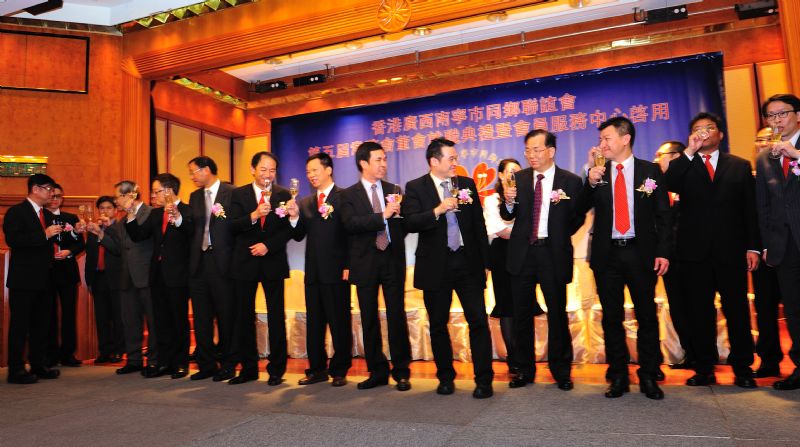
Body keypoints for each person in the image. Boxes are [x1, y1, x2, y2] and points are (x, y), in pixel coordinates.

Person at [577, 117, 671, 400]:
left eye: (606, 138)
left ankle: (648, 374)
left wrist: (663, 251)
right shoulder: (598, 171)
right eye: (600, 139)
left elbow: (663, 215)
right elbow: (578, 209)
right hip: (607, 255)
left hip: (640, 253)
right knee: (611, 317)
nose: (601, 144)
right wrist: (590, 181)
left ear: (625, 138)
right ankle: (618, 375)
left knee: (646, 316)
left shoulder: (649, 171)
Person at [665, 112, 760, 388]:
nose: (704, 132)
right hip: (694, 254)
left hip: (731, 251)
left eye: (709, 127)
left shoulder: (739, 166)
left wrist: (753, 247)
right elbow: (669, 183)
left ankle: (742, 367)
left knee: (737, 311)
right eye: (698, 129)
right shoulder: (684, 164)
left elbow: (750, 210)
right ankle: (704, 367)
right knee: (699, 313)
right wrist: (689, 150)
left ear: (720, 134)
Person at [403, 137, 494, 399]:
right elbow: (410, 222)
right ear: (434, 161)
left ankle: (484, 380)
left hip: (467, 262)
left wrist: (486, 262)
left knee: (478, 321)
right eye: (451, 158)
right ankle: (445, 378)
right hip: (435, 265)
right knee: (438, 324)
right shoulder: (416, 187)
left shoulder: (466, 184)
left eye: (456, 158)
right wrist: (438, 210)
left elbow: (478, 224)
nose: (456, 162)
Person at [501, 130, 585, 391]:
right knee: (522, 315)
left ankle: (561, 371)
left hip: (552, 253)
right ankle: (524, 370)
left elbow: (578, 217)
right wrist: (509, 202)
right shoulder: (519, 178)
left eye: (537, 150)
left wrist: (558, 234)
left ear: (551, 151)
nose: (531, 155)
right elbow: (507, 214)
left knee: (557, 314)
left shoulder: (570, 181)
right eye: (528, 150)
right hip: (523, 254)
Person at [340, 141, 412, 392]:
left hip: (392, 259)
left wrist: (397, 218)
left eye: (385, 159)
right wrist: (383, 216)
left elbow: (403, 225)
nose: (383, 164)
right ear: (363, 163)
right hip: (365, 262)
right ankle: (377, 371)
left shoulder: (394, 189)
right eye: (378, 159)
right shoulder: (348, 195)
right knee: (369, 317)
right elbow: (350, 224)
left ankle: (401, 372)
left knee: (396, 315)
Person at [287, 152, 353, 387]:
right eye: (308, 172)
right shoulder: (305, 202)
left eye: (315, 170)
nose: (311, 175)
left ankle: (340, 369)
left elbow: (350, 234)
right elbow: (298, 236)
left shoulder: (344, 197)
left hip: (337, 271)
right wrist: (294, 218)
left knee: (339, 322)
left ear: (328, 170)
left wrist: (348, 265)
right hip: (313, 272)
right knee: (314, 323)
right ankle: (316, 369)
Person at [228, 151, 293, 385]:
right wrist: (254, 215)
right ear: (253, 169)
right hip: (244, 262)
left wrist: (268, 245)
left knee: (276, 316)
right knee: (243, 317)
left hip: (272, 261)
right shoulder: (238, 194)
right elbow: (232, 226)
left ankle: (276, 370)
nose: (268, 174)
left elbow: (288, 229)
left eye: (272, 170)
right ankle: (248, 369)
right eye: (263, 169)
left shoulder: (283, 194)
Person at [125, 173, 193, 379]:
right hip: (157, 274)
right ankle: (164, 362)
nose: (153, 195)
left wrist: (177, 217)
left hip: (178, 275)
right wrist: (131, 213)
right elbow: (138, 235)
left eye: (156, 191)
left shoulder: (188, 210)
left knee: (178, 320)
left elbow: (191, 234)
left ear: (169, 190)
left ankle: (180, 363)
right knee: (160, 320)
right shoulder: (155, 214)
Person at [89, 181, 159, 377]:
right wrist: (100, 234)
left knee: (153, 322)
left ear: (131, 195)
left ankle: (154, 361)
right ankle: (134, 360)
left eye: (118, 197)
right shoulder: (122, 221)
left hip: (147, 276)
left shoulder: (151, 213)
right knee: (130, 321)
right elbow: (118, 249)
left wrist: (132, 215)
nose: (116, 201)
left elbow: (142, 238)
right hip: (126, 277)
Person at [755, 93, 800, 390]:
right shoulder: (765, 158)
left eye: (782, 113)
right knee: (794, 310)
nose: (776, 120)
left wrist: (797, 155)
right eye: (771, 116)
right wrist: (767, 244)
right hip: (784, 246)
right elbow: (764, 206)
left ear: (798, 115)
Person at [182, 156, 237, 381]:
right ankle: (206, 365)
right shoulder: (194, 196)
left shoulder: (231, 192)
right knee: (202, 317)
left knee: (226, 316)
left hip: (222, 263)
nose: (191, 176)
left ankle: (228, 364)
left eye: (193, 171)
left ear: (206, 170)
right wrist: (178, 219)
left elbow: (237, 228)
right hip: (199, 262)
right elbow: (192, 230)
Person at [4, 173, 63, 384]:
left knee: (41, 325)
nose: (52, 193)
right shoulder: (16, 212)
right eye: (49, 189)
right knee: (20, 325)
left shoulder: (46, 214)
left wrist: (73, 231)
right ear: (35, 189)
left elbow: (54, 241)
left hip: (45, 278)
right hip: (23, 279)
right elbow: (14, 240)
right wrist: (44, 234)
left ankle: (38, 364)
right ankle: (16, 369)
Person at [654, 141, 694, 370]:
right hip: (668, 256)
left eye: (661, 154)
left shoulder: (691, 179)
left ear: (677, 156)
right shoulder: (654, 183)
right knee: (677, 307)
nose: (657, 159)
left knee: (696, 306)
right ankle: (690, 352)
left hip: (692, 254)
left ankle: (703, 354)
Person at [483, 158, 523, 376]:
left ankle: (524, 356)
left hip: (524, 254)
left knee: (523, 305)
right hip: (502, 255)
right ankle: (513, 358)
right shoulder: (492, 200)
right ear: (500, 175)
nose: (513, 176)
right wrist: (525, 233)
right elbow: (500, 230)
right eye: (509, 172)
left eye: (517, 172)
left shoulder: (526, 196)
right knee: (507, 306)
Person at [751, 126, 785, 379]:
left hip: (791, 247)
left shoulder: (790, 166)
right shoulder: (748, 174)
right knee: (765, 309)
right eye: (760, 139)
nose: (764, 143)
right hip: (762, 252)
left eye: (769, 138)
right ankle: (769, 360)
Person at [45, 183, 85, 367]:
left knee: (69, 313)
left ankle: (68, 353)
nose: (55, 200)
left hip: (67, 271)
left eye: (58, 196)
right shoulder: (39, 217)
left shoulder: (70, 218)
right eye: (52, 196)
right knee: (48, 313)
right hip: (47, 271)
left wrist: (69, 251)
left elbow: (80, 243)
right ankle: (50, 354)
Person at [83, 196, 125, 364]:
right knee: (101, 318)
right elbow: (90, 255)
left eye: (108, 208)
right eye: (101, 208)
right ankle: (105, 351)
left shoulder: (120, 228)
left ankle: (119, 350)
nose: (105, 211)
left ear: (115, 210)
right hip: (98, 277)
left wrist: (105, 231)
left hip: (116, 278)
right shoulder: (94, 229)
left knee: (118, 317)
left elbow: (117, 249)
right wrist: (88, 279)